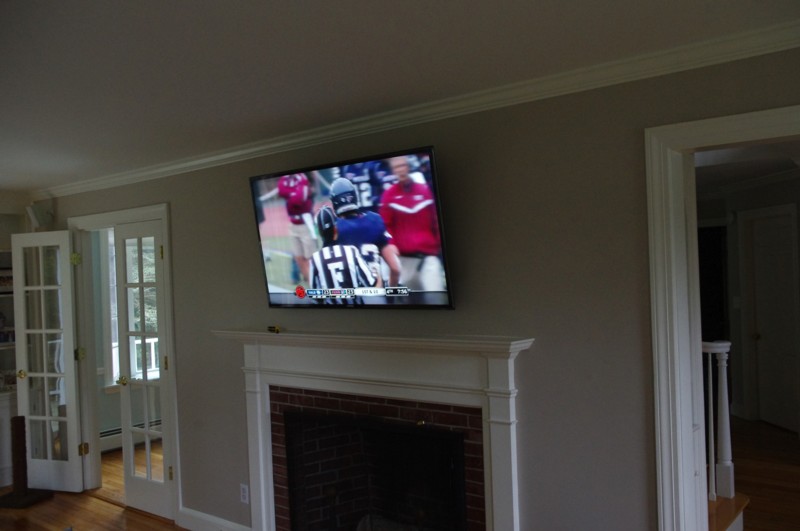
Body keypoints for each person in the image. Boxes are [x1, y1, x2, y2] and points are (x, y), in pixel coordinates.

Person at [379, 156, 445, 292]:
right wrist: (391, 244)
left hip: (428, 259)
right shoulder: (389, 195)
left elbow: (435, 221)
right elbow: (385, 226)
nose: (401, 170)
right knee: (413, 303)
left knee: (436, 297)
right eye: (397, 167)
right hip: (404, 261)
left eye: (403, 165)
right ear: (393, 171)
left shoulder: (424, 191)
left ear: (408, 167)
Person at [329, 177, 401, 287]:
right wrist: (391, 291)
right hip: (377, 293)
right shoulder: (374, 220)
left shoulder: (335, 228)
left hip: (351, 296)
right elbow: (395, 268)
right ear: (354, 196)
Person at [309, 206, 377, 305]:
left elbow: (315, 297)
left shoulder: (315, 259)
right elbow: (370, 284)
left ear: (320, 232)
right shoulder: (351, 251)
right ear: (336, 229)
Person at [261, 173, 316, 283]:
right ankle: (305, 279)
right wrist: (294, 193)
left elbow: (298, 200)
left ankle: (312, 281)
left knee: (310, 257)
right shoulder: (285, 179)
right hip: (293, 224)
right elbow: (282, 191)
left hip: (305, 222)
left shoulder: (302, 178)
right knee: (298, 256)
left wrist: (291, 195)